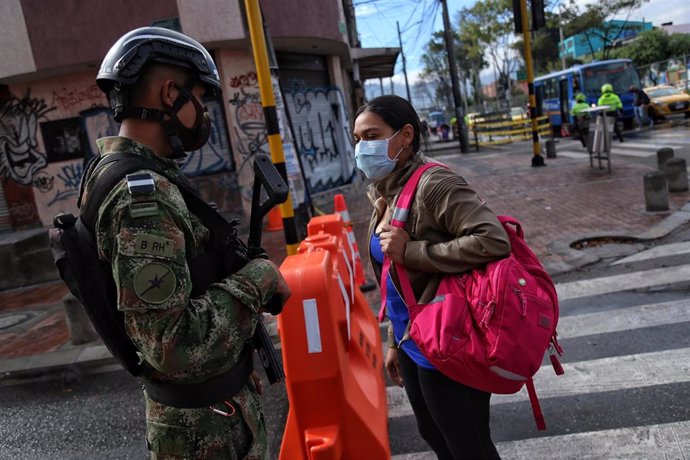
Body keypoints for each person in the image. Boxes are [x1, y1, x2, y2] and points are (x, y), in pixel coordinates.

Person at [89, 27, 291, 459]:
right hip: (203, 434)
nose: (204, 113)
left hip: (210, 410)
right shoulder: (140, 197)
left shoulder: (131, 175)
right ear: (169, 94)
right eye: (199, 99)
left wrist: (230, 366)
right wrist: (260, 278)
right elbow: (171, 345)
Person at [353, 95, 511, 459]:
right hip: (414, 338)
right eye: (357, 139)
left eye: (371, 135)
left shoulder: (434, 184)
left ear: (405, 135)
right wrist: (394, 341)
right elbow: (394, 277)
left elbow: (493, 240)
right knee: (435, 436)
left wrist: (414, 251)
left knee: (469, 446)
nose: (362, 148)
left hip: (449, 336)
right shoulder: (384, 191)